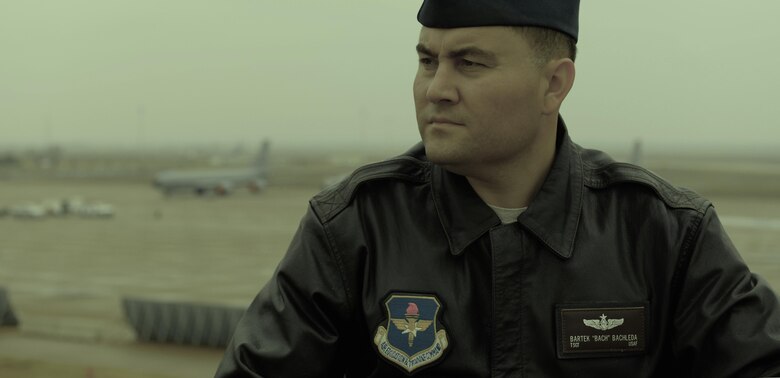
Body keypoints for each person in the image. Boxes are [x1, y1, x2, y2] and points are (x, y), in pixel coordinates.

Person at [215, 1, 780, 376]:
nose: (436, 89)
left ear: (553, 84)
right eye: (427, 61)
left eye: (469, 63)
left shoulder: (664, 233)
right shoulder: (355, 228)